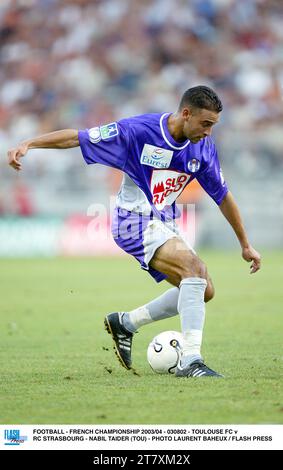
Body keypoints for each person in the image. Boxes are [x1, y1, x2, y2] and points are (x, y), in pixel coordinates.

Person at [7, 85, 261, 378]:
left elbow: (223, 195)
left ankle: (126, 323)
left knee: (204, 289)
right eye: (205, 124)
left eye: (213, 126)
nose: (209, 132)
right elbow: (78, 137)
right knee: (194, 269)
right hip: (133, 221)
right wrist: (29, 143)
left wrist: (245, 244)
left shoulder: (202, 148)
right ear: (186, 113)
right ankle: (191, 360)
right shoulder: (138, 131)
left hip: (164, 222)